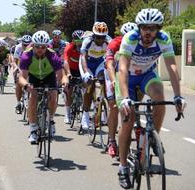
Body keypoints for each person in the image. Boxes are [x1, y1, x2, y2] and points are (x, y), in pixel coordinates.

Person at [117, 8, 186, 189]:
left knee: (159, 97)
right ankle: (123, 166)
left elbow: (171, 67)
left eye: (153, 28)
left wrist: (178, 96)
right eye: (145, 28)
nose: (148, 32)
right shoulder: (130, 38)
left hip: (147, 74)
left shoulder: (164, 39)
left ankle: (152, 137)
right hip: (128, 78)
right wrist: (125, 98)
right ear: (139, 28)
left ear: (158, 29)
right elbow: (122, 69)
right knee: (128, 118)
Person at [18, 30, 65, 144]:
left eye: (43, 47)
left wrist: (63, 83)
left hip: (48, 76)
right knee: (32, 98)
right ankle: (33, 129)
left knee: (53, 96)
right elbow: (21, 78)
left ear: (46, 47)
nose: (40, 49)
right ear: (33, 45)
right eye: (38, 46)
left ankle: (51, 120)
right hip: (34, 77)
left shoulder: (53, 56)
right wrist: (26, 85)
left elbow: (61, 75)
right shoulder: (26, 56)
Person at [104, 22, 138, 158]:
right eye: (125, 37)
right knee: (113, 106)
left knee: (133, 106)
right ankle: (112, 141)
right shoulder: (114, 43)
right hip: (112, 73)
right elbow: (110, 65)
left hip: (130, 76)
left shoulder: (139, 43)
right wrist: (113, 80)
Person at [79, 21, 112, 130]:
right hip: (87, 63)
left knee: (105, 81)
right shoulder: (87, 41)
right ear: (94, 35)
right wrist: (86, 72)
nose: (100, 40)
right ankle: (85, 114)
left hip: (99, 63)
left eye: (102, 37)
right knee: (90, 84)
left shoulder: (108, 41)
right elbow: (83, 56)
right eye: (98, 37)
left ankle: (105, 110)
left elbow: (113, 57)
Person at [63, 30, 85, 124]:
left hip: (81, 69)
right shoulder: (69, 48)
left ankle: (84, 111)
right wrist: (68, 73)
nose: (79, 42)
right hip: (70, 70)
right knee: (69, 90)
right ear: (73, 40)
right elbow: (66, 62)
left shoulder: (85, 48)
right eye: (77, 40)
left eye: (81, 40)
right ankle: (67, 114)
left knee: (86, 90)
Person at [13, 35, 32, 114]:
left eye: (28, 45)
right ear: (22, 44)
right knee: (18, 83)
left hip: (30, 67)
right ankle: (18, 103)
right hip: (20, 66)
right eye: (25, 45)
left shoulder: (33, 48)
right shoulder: (18, 48)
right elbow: (15, 60)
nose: (26, 46)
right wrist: (16, 67)